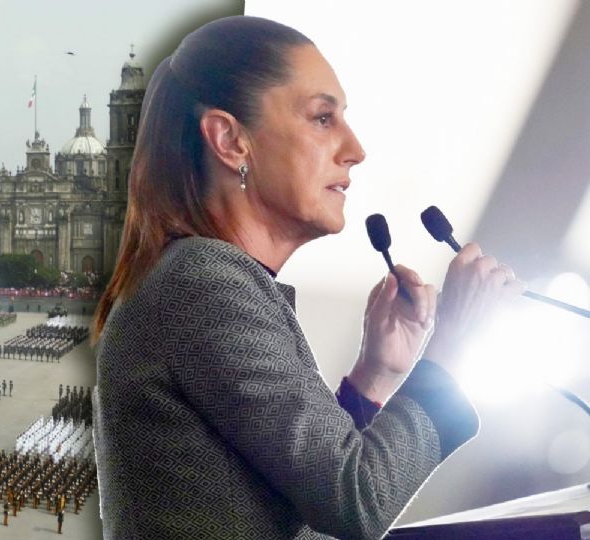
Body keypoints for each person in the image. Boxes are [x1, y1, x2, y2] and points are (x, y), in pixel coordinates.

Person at [91, 15, 525, 540]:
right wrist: (453, 342)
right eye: (323, 118)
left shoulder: (202, 278)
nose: (355, 149)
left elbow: (303, 506)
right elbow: (356, 501)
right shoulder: (202, 282)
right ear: (231, 140)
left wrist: (375, 375)